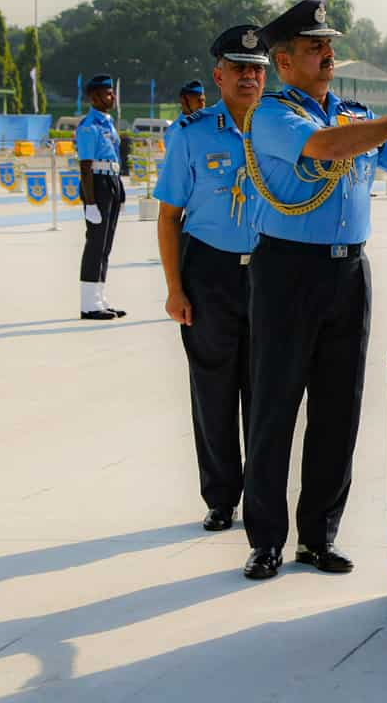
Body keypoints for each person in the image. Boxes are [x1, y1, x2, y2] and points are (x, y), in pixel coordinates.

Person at [239, 0, 387, 580]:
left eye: (328, 45)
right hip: (287, 270)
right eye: (313, 47)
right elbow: (325, 149)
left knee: (338, 408)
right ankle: (266, 539)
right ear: (282, 62)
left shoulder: (354, 116)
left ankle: (318, 535)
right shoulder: (274, 114)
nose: (327, 54)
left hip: (348, 272)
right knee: (274, 407)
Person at [153, 27, 267, 533]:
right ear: (218, 75)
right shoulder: (191, 133)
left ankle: (265, 494)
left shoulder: (282, 128)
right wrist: (175, 289)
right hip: (210, 272)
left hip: (270, 272)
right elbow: (168, 216)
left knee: (267, 390)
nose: (249, 76)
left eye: (257, 68)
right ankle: (221, 496)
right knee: (213, 389)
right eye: (239, 68)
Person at [76, 73, 126, 319]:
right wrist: (91, 202)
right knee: (95, 244)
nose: (112, 96)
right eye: (107, 93)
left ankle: (99, 297)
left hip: (111, 181)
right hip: (97, 184)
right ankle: (88, 304)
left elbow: (115, 158)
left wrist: (121, 191)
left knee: (106, 246)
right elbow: (85, 166)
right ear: (95, 97)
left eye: (112, 92)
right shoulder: (89, 126)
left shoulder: (107, 123)